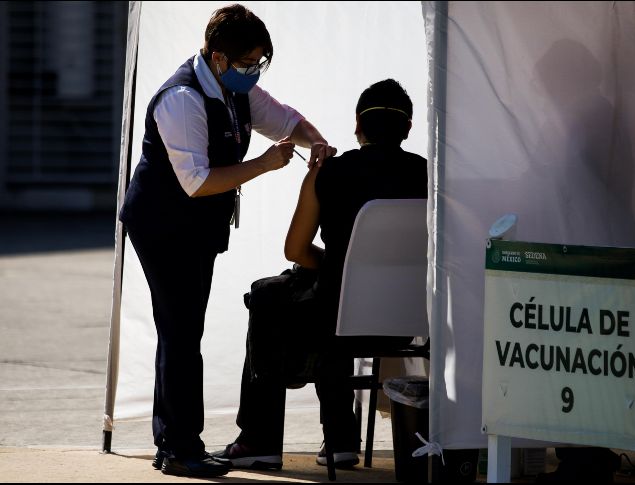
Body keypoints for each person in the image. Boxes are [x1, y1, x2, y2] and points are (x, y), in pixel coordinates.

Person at [118, 4, 336, 478]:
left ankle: (172, 441)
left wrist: (314, 141)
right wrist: (262, 165)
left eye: (260, 63)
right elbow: (196, 181)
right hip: (162, 224)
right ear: (218, 57)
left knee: (181, 328)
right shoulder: (181, 98)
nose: (253, 73)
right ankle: (181, 448)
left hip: (196, 226)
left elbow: (285, 120)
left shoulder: (237, 89)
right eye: (247, 64)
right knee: (181, 331)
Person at [212, 79, 428, 470]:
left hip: (336, 319)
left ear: (358, 126)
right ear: (408, 128)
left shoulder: (328, 173)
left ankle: (260, 439)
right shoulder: (432, 178)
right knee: (314, 298)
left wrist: (345, 268)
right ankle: (340, 441)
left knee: (269, 296)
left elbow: (295, 250)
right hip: (407, 322)